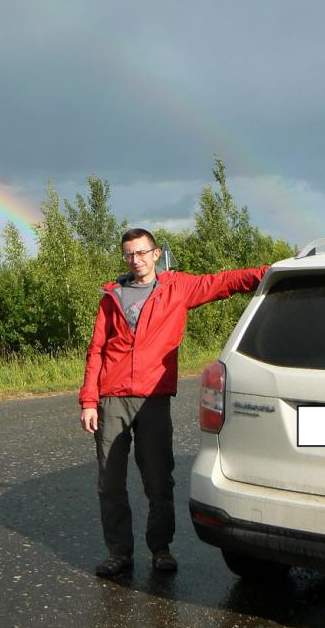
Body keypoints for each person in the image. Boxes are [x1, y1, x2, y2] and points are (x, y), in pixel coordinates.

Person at [79, 228, 267, 576]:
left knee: (158, 479)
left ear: (155, 254)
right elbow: (97, 350)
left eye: (141, 252)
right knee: (110, 481)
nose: (135, 259)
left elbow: (223, 282)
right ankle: (119, 553)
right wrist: (89, 400)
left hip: (154, 397)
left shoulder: (177, 287)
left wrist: (269, 274)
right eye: (129, 254)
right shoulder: (111, 295)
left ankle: (160, 548)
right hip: (112, 398)